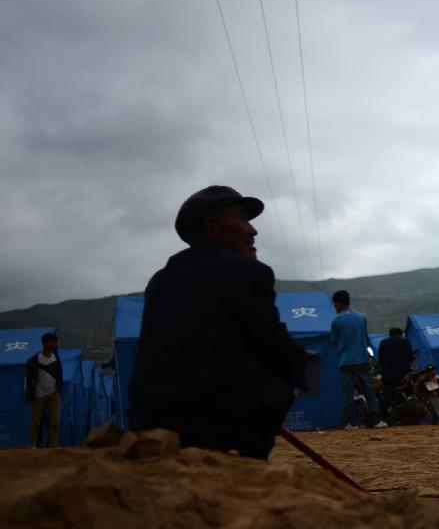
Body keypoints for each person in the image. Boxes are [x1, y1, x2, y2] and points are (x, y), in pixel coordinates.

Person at [129, 186, 307, 460]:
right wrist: (298, 379)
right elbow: (276, 349)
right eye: (243, 220)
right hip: (223, 429)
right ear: (212, 227)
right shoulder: (246, 272)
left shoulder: (159, 281)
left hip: (153, 427)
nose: (253, 231)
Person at [331, 290, 387, 429]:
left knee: (348, 393)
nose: (335, 307)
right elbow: (365, 339)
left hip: (345, 361)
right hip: (361, 359)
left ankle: (352, 423)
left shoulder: (336, 321)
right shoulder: (362, 318)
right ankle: (377, 421)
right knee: (368, 391)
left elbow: (334, 341)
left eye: (335, 304)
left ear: (338, 303)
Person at [25, 332, 62, 448]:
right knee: (36, 422)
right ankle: (32, 445)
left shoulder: (56, 358)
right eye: (51, 342)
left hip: (53, 394)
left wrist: (58, 389)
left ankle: (54, 446)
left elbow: (59, 375)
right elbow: (29, 379)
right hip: (38, 395)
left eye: (54, 342)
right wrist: (29, 395)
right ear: (45, 343)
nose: (54, 344)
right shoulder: (34, 359)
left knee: (55, 422)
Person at [378, 327, 415, 421]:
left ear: (390, 334)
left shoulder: (383, 342)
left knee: (386, 397)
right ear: (400, 334)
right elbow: (411, 358)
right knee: (409, 394)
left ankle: (381, 419)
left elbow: (381, 360)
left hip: (388, 375)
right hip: (404, 375)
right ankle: (410, 417)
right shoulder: (405, 342)